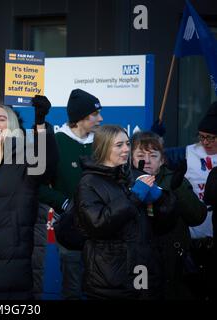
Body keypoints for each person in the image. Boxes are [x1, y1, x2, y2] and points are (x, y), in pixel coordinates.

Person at [0, 95, 58, 300]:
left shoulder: (25, 158)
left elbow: (46, 165)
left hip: (9, 272)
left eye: (1, 119)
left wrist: (40, 123)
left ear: (12, 125)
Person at [76, 125, 175, 299]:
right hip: (110, 278)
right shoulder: (89, 183)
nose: (126, 149)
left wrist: (161, 200)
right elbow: (97, 224)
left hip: (141, 272)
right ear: (104, 147)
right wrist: (135, 197)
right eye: (119, 145)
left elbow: (162, 225)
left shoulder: (132, 176)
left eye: (127, 144)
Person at [38, 88, 103, 299]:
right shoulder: (55, 141)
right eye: (95, 114)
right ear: (80, 118)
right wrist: (64, 203)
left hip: (103, 229)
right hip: (70, 230)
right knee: (73, 289)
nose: (100, 118)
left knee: (102, 287)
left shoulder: (102, 142)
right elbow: (37, 186)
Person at [130, 131, 207, 299]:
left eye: (153, 155)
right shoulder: (125, 182)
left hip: (172, 262)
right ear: (131, 158)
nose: (147, 161)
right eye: (141, 155)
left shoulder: (174, 180)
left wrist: (177, 187)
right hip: (139, 264)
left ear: (162, 159)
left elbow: (197, 217)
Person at [153, 101, 217, 300]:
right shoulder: (186, 153)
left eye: (211, 138)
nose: (205, 142)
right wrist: (154, 138)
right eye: (202, 137)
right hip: (190, 241)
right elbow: (154, 159)